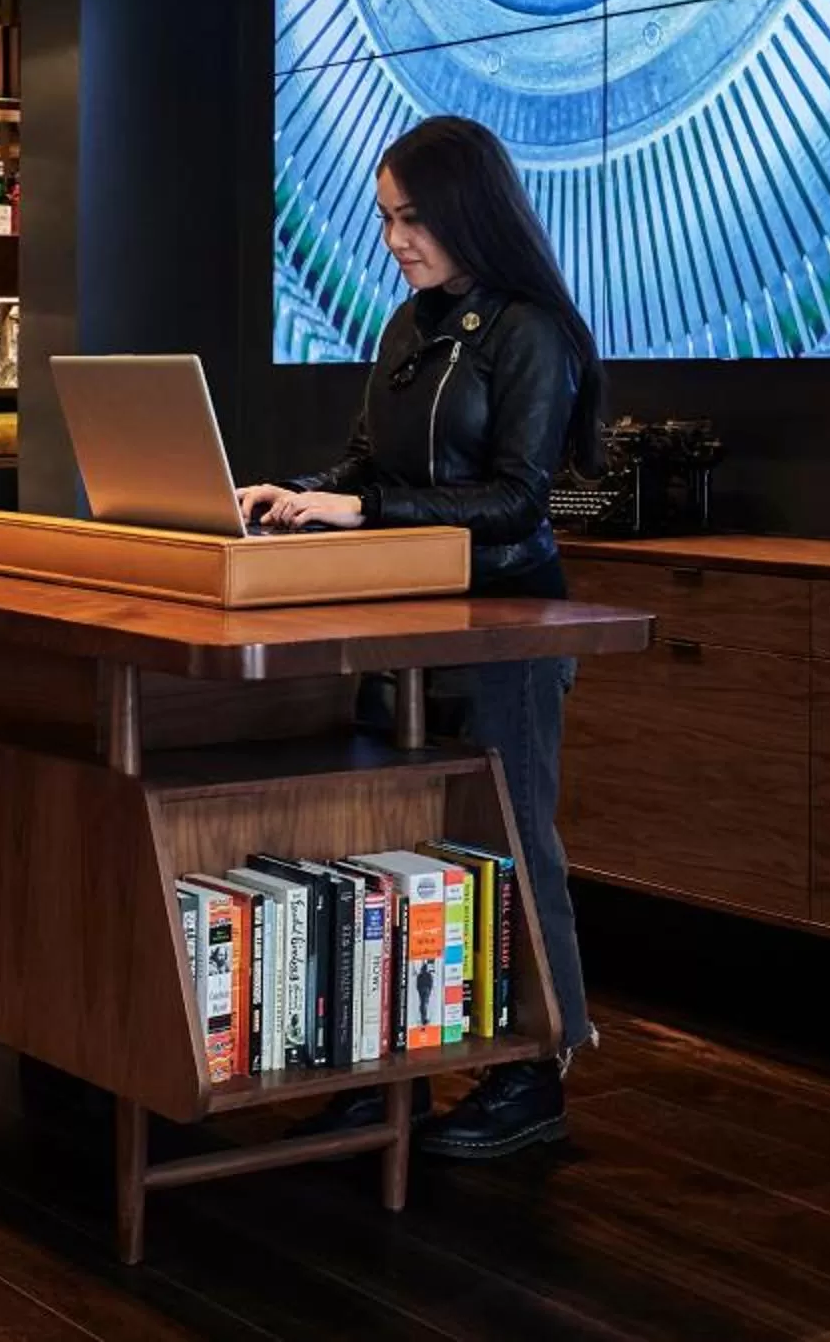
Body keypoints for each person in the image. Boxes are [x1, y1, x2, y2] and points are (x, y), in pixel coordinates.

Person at [236, 114, 605, 1159]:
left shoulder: (534, 330)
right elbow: (365, 466)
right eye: (387, 219)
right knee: (387, 844)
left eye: (413, 218)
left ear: (466, 210)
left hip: (505, 626)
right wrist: (296, 496)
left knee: (512, 841)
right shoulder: (410, 325)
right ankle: (381, 1062)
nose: (396, 238)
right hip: (402, 618)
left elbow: (516, 503)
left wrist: (367, 515)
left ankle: (534, 1070)